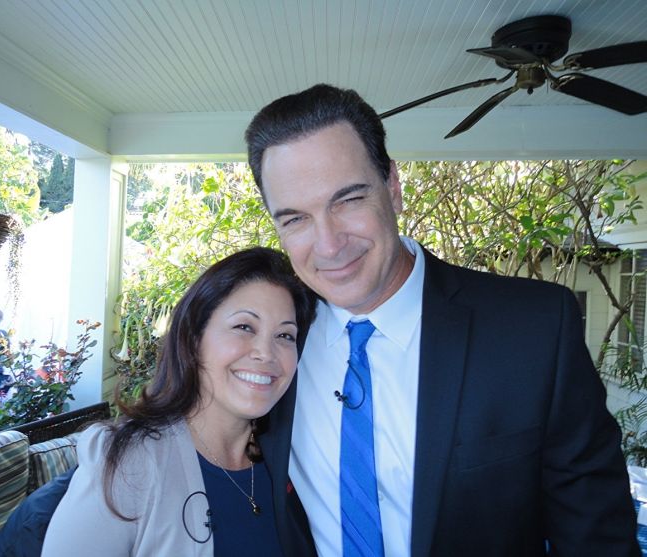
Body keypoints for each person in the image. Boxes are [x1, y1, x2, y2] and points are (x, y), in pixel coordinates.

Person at [245, 84, 639, 556]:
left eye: (347, 200)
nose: (329, 245)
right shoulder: (271, 347)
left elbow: (597, 535)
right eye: (295, 219)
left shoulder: (534, 329)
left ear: (393, 186)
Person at [42, 247, 316, 556]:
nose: (266, 353)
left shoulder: (290, 460)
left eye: (285, 336)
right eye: (244, 327)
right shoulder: (127, 463)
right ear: (194, 338)